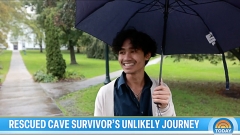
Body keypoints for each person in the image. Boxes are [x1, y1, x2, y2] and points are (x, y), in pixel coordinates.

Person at [94, 28, 176, 116]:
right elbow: (98, 128)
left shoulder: (160, 90)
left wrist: (165, 108)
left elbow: (171, 127)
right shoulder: (105, 93)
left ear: (147, 55)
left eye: (133, 51)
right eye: (122, 52)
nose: (126, 58)